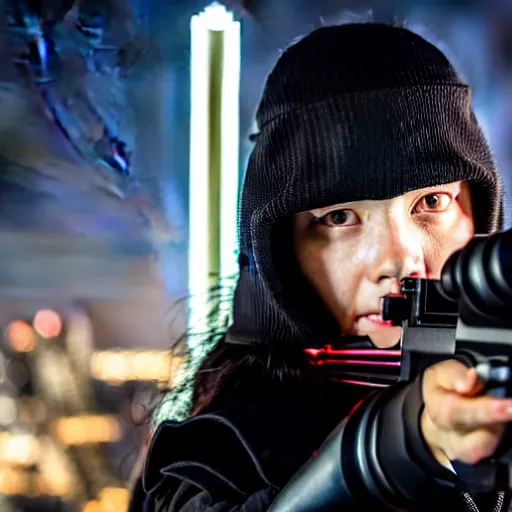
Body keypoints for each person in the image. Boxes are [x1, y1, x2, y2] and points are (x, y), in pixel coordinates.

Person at [133, 23, 508, 511]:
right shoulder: (214, 461)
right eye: (339, 217)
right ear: (281, 251)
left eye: (432, 201)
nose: (400, 258)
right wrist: (399, 448)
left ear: (478, 212)